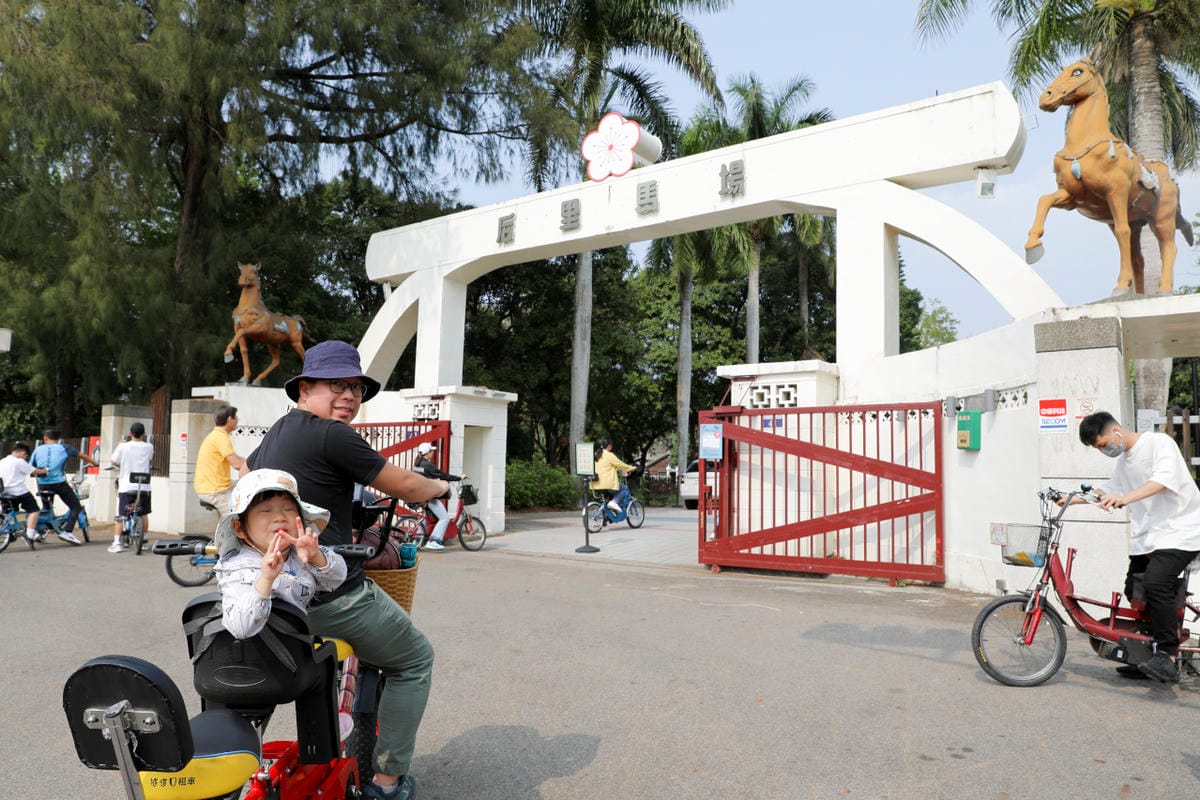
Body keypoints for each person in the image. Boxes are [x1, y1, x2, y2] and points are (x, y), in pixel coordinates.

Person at [245, 340, 449, 800]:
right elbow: (407, 484)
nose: (350, 396)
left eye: (356, 388)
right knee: (415, 658)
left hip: (275, 593)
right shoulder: (331, 435)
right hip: (327, 594)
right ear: (305, 388)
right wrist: (440, 484)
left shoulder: (277, 434)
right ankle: (387, 782)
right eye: (336, 385)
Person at [1075, 411, 1200, 683]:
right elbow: (1108, 491)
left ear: (1116, 431)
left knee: (1156, 583)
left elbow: (1162, 481)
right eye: (1098, 449)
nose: (1104, 450)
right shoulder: (1123, 462)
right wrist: (1070, 498)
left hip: (1181, 530)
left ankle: (1167, 655)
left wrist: (1124, 498)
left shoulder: (1159, 444)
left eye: (1102, 444)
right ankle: (1143, 656)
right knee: (1135, 590)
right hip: (1151, 536)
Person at [214, 468, 346, 640]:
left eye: (289, 509)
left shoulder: (299, 553)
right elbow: (241, 629)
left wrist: (316, 557)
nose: (280, 517)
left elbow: (335, 581)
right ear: (239, 528)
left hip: (298, 645)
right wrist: (266, 580)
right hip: (257, 657)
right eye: (265, 510)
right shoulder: (239, 568)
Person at [31, 427, 99, 545]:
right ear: (59, 438)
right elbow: (82, 455)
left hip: (42, 484)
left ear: (45, 438)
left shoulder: (38, 449)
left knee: (47, 509)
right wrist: (95, 463)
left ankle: (38, 531)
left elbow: (31, 466)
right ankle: (67, 531)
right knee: (76, 507)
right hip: (58, 483)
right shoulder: (64, 447)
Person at [411, 442, 466, 551]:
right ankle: (434, 541)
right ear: (427, 453)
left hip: (419, 496)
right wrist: (459, 478)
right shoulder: (427, 465)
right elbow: (443, 475)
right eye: (431, 451)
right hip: (429, 497)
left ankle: (416, 539)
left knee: (428, 518)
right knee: (444, 518)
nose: (432, 453)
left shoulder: (417, 464)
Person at [109, 422, 154, 554]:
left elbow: (113, 460)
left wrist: (119, 444)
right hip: (144, 486)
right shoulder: (149, 447)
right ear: (144, 434)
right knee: (144, 513)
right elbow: (150, 459)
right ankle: (144, 540)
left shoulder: (123, 446)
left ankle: (117, 543)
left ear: (130, 433)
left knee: (122, 515)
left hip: (126, 486)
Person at [194, 404, 246, 515]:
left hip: (216, 486)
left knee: (243, 488)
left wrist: (251, 462)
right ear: (229, 419)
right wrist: (254, 468)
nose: (238, 420)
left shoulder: (217, 435)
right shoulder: (220, 438)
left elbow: (235, 457)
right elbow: (236, 464)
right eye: (236, 417)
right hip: (215, 490)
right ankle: (226, 531)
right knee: (235, 516)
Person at [0, 442, 49, 546]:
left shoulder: (2, 461)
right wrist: (45, 470)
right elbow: (35, 471)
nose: (25, 458)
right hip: (18, 491)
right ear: (23, 453)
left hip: (4, 492)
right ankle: (30, 535)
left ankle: (12, 533)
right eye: (26, 456)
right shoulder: (19, 462)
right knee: (34, 510)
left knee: (9, 514)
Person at [590, 437, 635, 513]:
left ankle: (606, 513)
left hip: (595, 484)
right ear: (609, 446)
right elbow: (621, 465)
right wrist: (632, 468)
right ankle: (614, 502)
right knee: (624, 488)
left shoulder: (596, 454)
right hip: (607, 484)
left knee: (609, 496)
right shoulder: (609, 455)